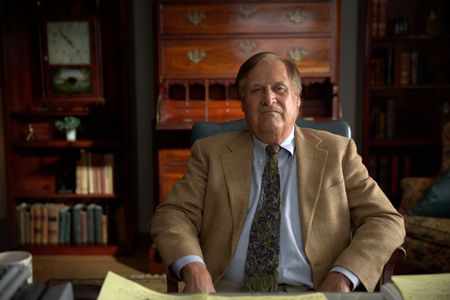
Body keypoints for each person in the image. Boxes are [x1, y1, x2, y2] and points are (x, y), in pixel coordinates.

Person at [150, 52, 405, 293]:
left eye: (279, 88)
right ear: (243, 104)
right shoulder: (210, 153)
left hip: (315, 292)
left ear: (297, 100)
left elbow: (385, 219)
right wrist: (194, 268)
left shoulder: (337, 152)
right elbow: (173, 214)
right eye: (256, 90)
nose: (268, 99)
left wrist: (344, 275)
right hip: (227, 291)